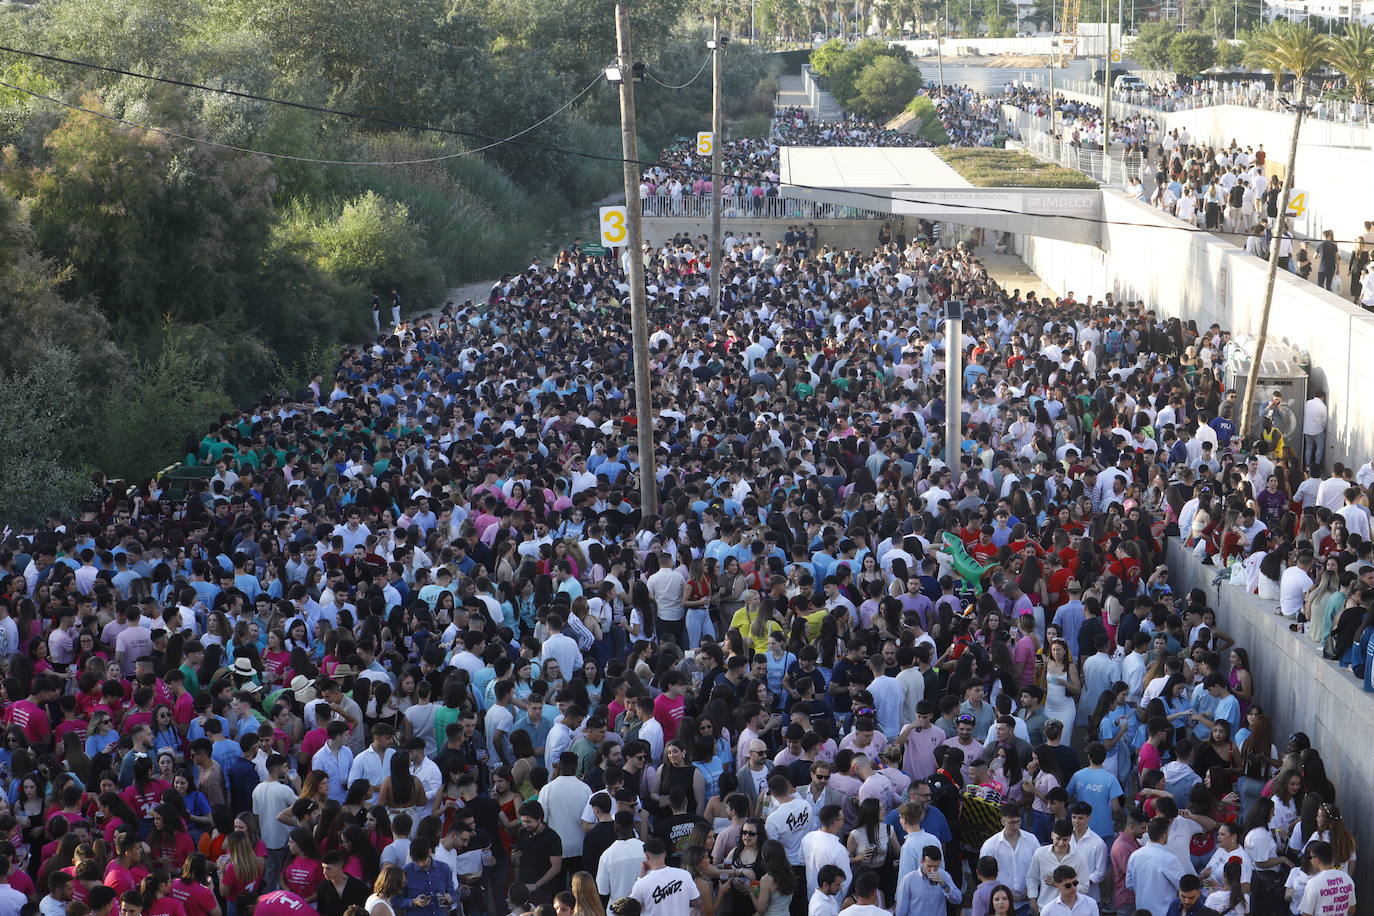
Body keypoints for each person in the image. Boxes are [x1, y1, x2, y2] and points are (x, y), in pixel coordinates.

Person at [629, 839, 698, 916]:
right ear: (665, 854)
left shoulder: (641, 884)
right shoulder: (685, 874)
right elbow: (696, 901)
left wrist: (641, 877)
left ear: (647, 856)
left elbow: (629, 908)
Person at [894, 845, 960, 916]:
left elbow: (958, 900)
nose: (932, 870)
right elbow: (901, 910)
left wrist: (944, 886)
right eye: (929, 866)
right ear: (922, 862)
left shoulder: (944, 876)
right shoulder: (909, 880)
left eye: (936, 866)